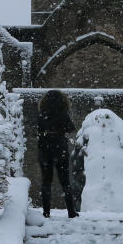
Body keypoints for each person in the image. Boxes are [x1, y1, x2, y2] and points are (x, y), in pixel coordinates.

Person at [37, 90, 77, 218]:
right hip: (60, 148)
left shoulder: (42, 114)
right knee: (65, 181)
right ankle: (71, 211)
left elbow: (38, 130)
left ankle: (46, 212)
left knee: (46, 182)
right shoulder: (63, 113)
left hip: (45, 148)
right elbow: (71, 128)